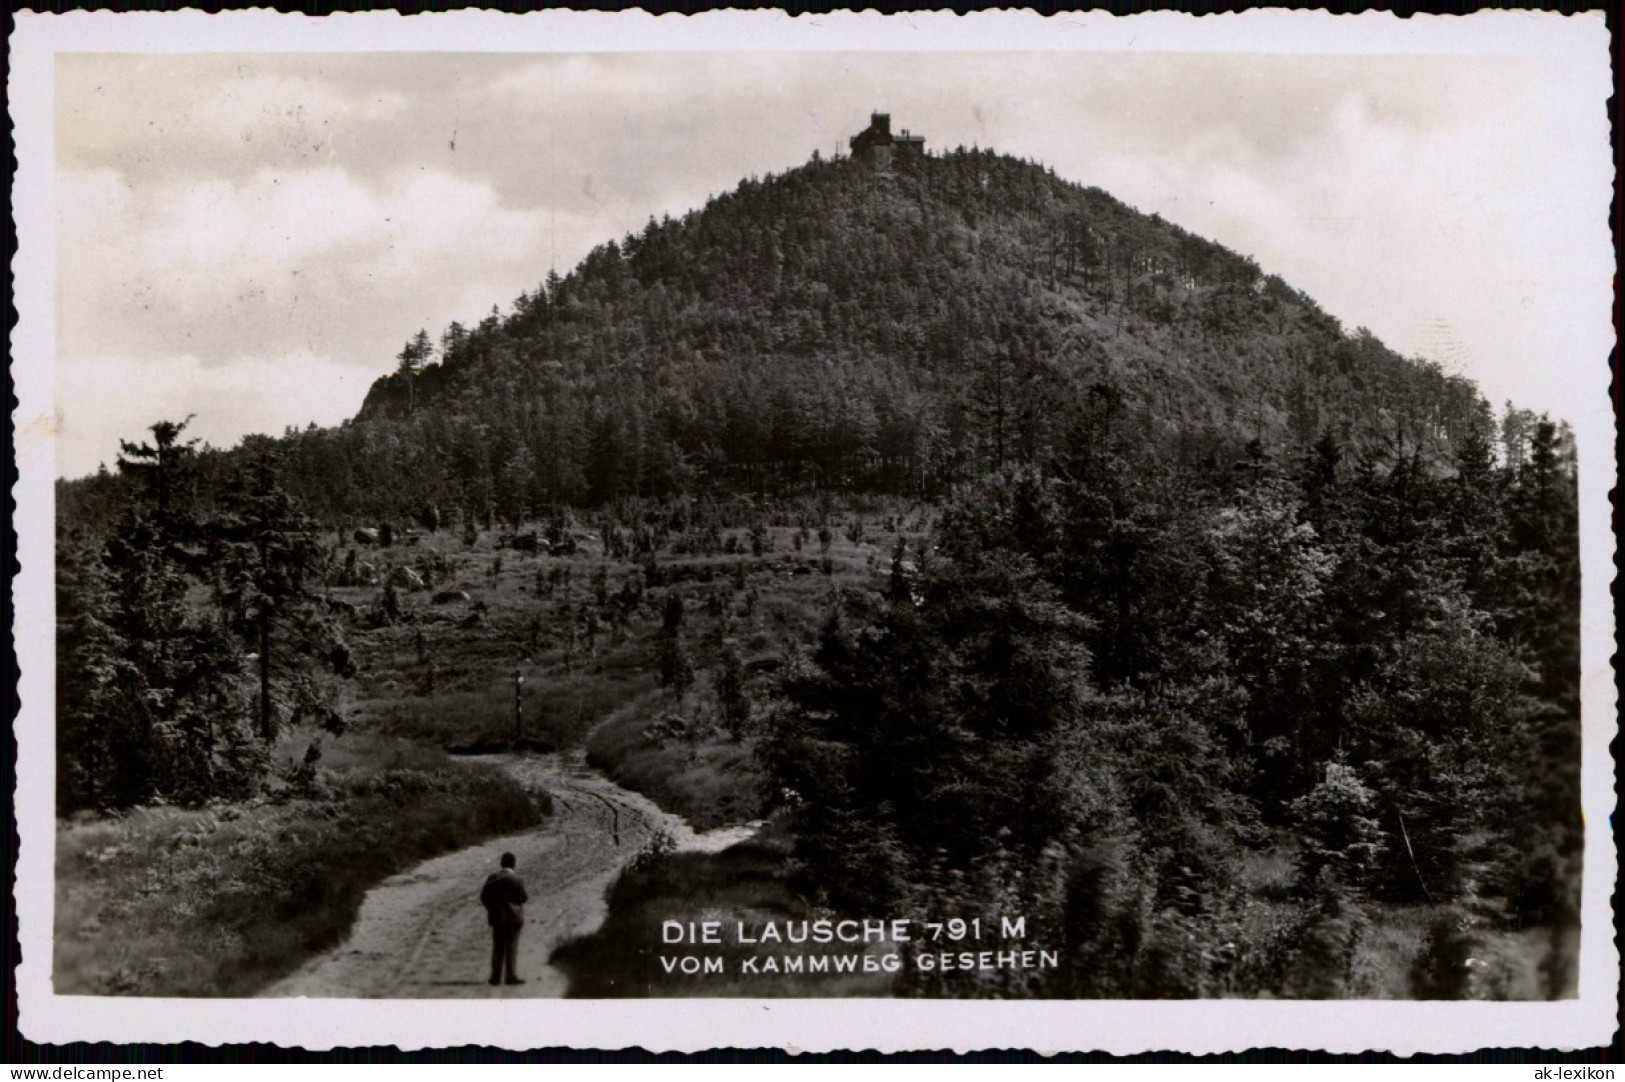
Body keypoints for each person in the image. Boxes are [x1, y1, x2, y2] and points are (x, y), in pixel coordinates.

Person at [479, 851, 528, 986]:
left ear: (501, 863)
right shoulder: (517, 880)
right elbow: (524, 898)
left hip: (498, 918)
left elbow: (484, 897)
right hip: (514, 918)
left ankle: (495, 977)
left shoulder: (492, 878)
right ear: (514, 864)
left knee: (498, 947)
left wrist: (492, 909)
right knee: (511, 947)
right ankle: (510, 976)